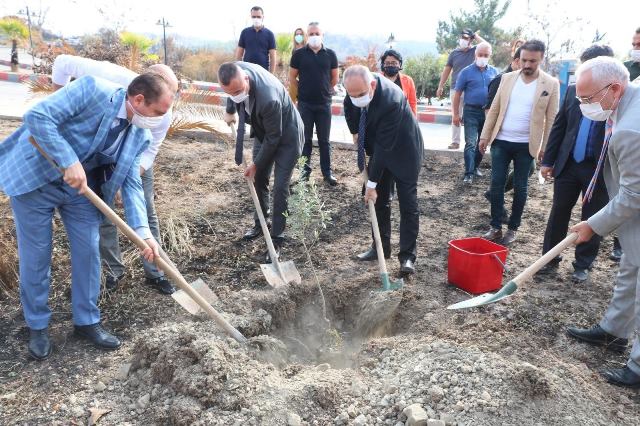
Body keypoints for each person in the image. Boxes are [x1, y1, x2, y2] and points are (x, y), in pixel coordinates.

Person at [0, 73, 173, 359]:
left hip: (81, 191)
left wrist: (143, 232)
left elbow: (131, 185)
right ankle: (38, 326)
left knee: (89, 251)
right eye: (159, 113)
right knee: (37, 255)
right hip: (37, 180)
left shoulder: (139, 133)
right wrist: (68, 160)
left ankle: (86, 320)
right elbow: (37, 116)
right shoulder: (91, 89)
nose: (160, 120)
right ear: (139, 100)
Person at [51, 54, 178, 295]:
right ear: (149, 87)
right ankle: (112, 270)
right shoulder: (106, 76)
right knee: (102, 208)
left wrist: (125, 178)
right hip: (92, 149)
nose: (169, 104)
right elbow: (61, 62)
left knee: (145, 211)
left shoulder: (164, 111)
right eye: (167, 95)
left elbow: (149, 152)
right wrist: (57, 99)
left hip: (134, 154)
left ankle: (157, 271)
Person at [565, 56, 640, 388]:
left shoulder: (631, 130)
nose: (583, 106)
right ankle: (615, 330)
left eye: (587, 99)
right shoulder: (629, 98)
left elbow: (633, 195)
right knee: (630, 266)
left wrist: (592, 225)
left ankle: (638, 368)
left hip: (634, 200)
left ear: (614, 89)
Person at [539, 45, 615, 283]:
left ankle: (582, 264)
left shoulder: (615, 95)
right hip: (569, 165)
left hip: (599, 169)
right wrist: (548, 161)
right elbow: (560, 127)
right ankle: (549, 260)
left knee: (592, 218)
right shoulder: (573, 91)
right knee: (558, 212)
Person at [343, 65, 424, 274]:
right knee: (378, 201)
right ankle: (380, 247)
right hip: (379, 148)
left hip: (405, 151)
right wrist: (356, 135)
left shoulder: (392, 99)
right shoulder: (353, 93)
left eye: (361, 95)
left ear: (371, 85)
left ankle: (407, 257)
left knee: (408, 203)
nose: (356, 99)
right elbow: (351, 116)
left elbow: (383, 147)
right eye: (352, 95)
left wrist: (371, 184)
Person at [220, 62, 304, 260]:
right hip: (263, 129)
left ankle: (277, 238)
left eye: (240, 91)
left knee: (280, 186)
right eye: (232, 93)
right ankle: (260, 223)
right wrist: (230, 109)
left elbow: (275, 138)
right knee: (258, 179)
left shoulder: (269, 98)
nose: (237, 94)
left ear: (247, 79)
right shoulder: (234, 71)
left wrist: (256, 164)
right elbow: (233, 92)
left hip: (287, 137)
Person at [479, 40, 559, 246]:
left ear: (541, 59)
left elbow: (552, 119)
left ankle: (513, 228)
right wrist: (484, 136)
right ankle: (495, 227)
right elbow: (494, 109)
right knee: (496, 185)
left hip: (526, 145)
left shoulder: (551, 84)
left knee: (521, 187)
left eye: (532, 61)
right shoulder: (506, 79)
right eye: (524, 59)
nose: (527, 64)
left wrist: (546, 148)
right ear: (519, 59)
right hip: (501, 141)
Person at [289, 22, 339, 185]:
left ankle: (327, 173)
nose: (314, 36)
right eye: (311, 34)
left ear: (322, 35)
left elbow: (335, 78)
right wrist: (302, 90)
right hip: (305, 105)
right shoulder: (299, 55)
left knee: (325, 141)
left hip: (324, 104)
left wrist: (325, 90)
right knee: (306, 140)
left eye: (317, 33)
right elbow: (292, 78)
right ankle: (304, 174)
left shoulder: (330, 54)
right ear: (307, 36)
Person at [452, 41, 499, 184]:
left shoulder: (495, 72)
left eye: (486, 55)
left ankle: (476, 166)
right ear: (475, 54)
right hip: (470, 110)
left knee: (482, 143)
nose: (483, 57)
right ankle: (468, 173)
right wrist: (455, 114)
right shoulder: (466, 72)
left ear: (490, 55)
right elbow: (457, 94)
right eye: (480, 54)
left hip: (487, 112)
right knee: (470, 143)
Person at [436, 29, 487, 150]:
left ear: (471, 40)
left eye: (467, 38)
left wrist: (476, 36)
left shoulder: (475, 51)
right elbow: (447, 70)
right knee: (455, 115)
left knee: (471, 116)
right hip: (455, 88)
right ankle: (455, 141)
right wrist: (440, 86)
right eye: (462, 37)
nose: (464, 40)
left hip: (470, 89)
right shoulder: (454, 53)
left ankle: (473, 142)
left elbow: (486, 46)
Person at [235, 6, 276, 73]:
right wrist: (240, 71)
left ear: (263, 17)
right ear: (251, 17)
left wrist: (271, 75)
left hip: (263, 72)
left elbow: (273, 58)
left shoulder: (269, 34)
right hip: (247, 71)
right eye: (254, 17)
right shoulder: (245, 32)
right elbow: (239, 54)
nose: (256, 19)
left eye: (258, 16)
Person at [380, 49, 418, 115]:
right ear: (383, 64)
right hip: (380, 120)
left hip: (402, 120)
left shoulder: (408, 80)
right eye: (387, 63)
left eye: (394, 63)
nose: (390, 65)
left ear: (399, 64)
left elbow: (412, 103)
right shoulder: (377, 79)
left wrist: (413, 122)